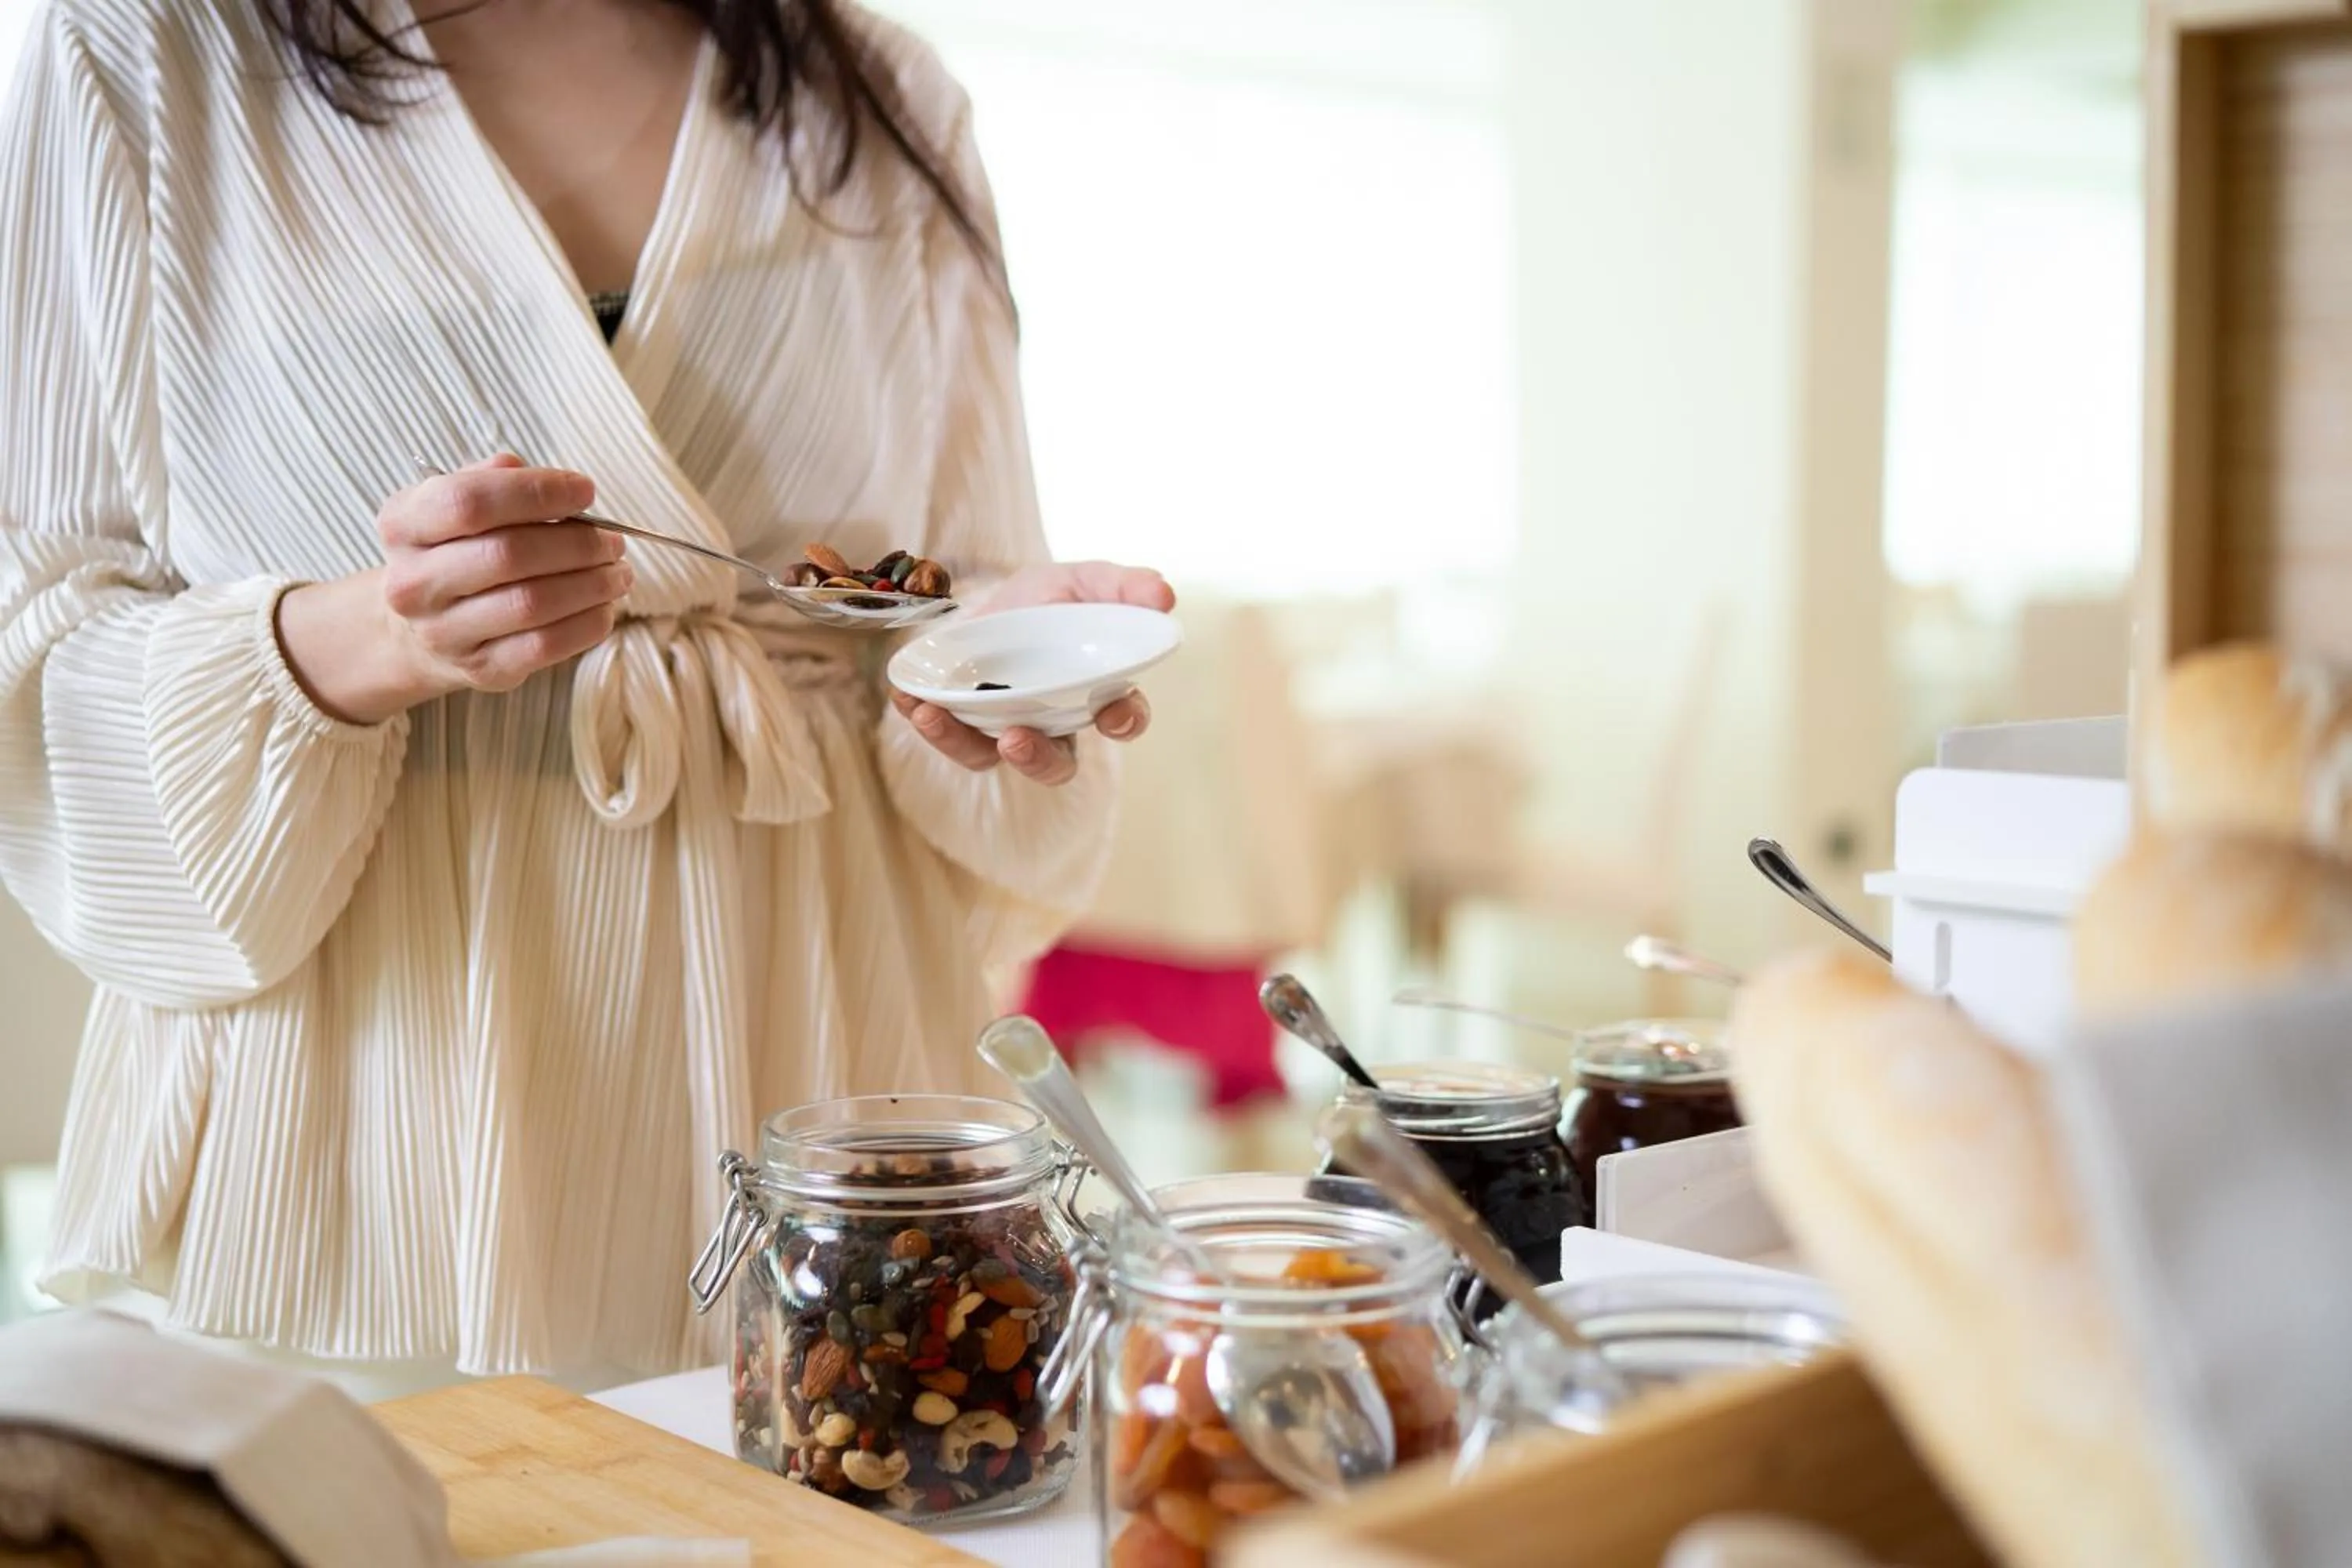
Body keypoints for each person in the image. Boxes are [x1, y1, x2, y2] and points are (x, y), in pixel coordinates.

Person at [0, 0, 1171, 1393]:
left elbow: (944, 593)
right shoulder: (144, 52)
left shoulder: (878, 98)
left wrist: (994, 674)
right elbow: (37, 626)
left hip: (824, 1052)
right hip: (382, 1125)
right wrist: (361, 642)